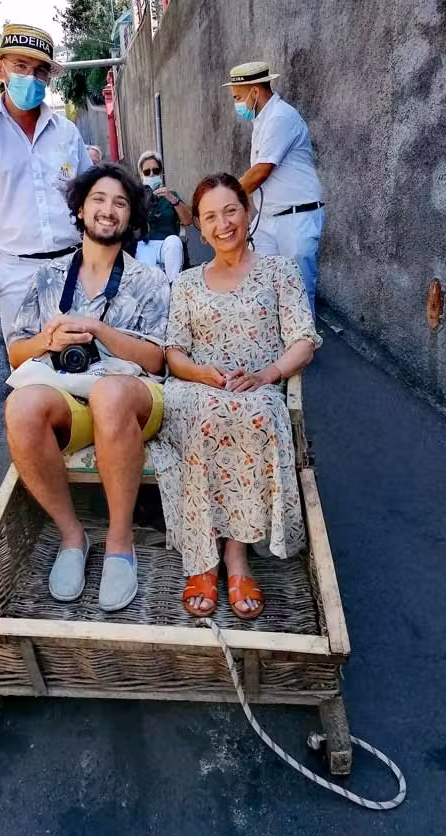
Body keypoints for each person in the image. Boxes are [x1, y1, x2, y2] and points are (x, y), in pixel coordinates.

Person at [150, 173, 321, 620]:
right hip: (196, 387)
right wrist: (202, 374)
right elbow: (174, 353)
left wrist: (269, 374)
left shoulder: (280, 271)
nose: (223, 224)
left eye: (230, 211)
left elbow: (304, 339)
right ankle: (203, 559)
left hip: (257, 386)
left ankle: (237, 556)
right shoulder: (187, 283)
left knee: (261, 414)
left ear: (247, 212)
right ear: (200, 228)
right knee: (206, 413)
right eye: (210, 217)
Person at [5, 163, 170, 612]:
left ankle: (120, 540)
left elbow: (157, 359)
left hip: (134, 400)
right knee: (21, 407)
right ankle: (72, 536)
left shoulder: (149, 280)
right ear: (80, 209)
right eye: (98, 199)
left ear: (130, 218)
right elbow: (18, 355)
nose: (108, 210)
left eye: (120, 203)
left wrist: (99, 330)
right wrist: (49, 340)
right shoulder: (49, 278)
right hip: (70, 400)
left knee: (109, 393)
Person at [0, 24, 93, 341]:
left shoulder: (67, 134)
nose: (31, 77)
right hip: (16, 272)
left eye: (40, 71)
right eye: (20, 66)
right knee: (28, 371)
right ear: (1, 69)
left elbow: (90, 200)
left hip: (75, 266)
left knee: (84, 363)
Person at [225, 61, 324, 315]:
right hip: (269, 220)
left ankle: (302, 353)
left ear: (255, 92)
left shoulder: (281, 117)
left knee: (297, 293)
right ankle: (272, 347)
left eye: (238, 97)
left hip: (295, 219)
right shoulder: (262, 120)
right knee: (260, 284)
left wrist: (223, 197)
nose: (236, 104)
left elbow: (260, 172)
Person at [134, 151, 193, 283]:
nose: (152, 175)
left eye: (155, 171)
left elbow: (188, 221)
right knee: (148, 278)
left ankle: (173, 286)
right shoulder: (136, 197)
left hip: (167, 243)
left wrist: (173, 200)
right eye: (147, 172)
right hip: (146, 244)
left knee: (174, 241)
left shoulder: (171, 195)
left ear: (161, 173)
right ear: (141, 175)